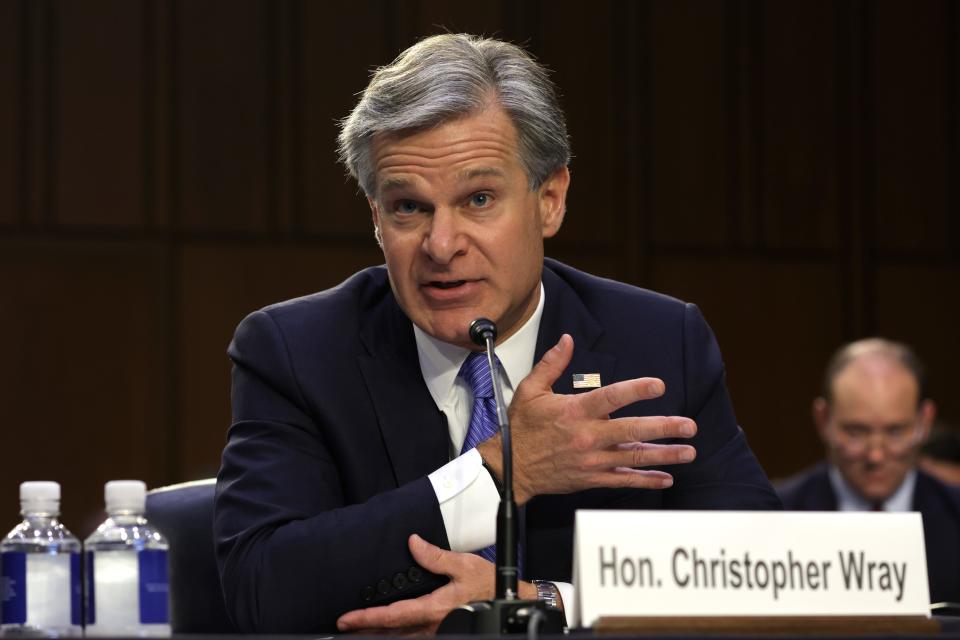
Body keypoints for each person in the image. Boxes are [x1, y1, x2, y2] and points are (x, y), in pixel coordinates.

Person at [214, 33, 780, 634]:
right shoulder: (297, 351)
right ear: (377, 219)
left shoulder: (659, 341)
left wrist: (545, 603)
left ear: (550, 201)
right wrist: (496, 474)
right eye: (408, 207)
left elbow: (757, 575)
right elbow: (259, 587)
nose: (441, 245)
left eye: (478, 199)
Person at [778, 338, 960, 603]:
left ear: (925, 421)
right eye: (856, 432)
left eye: (895, 432)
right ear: (823, 420)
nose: (876, 455)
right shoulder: (776, 518)